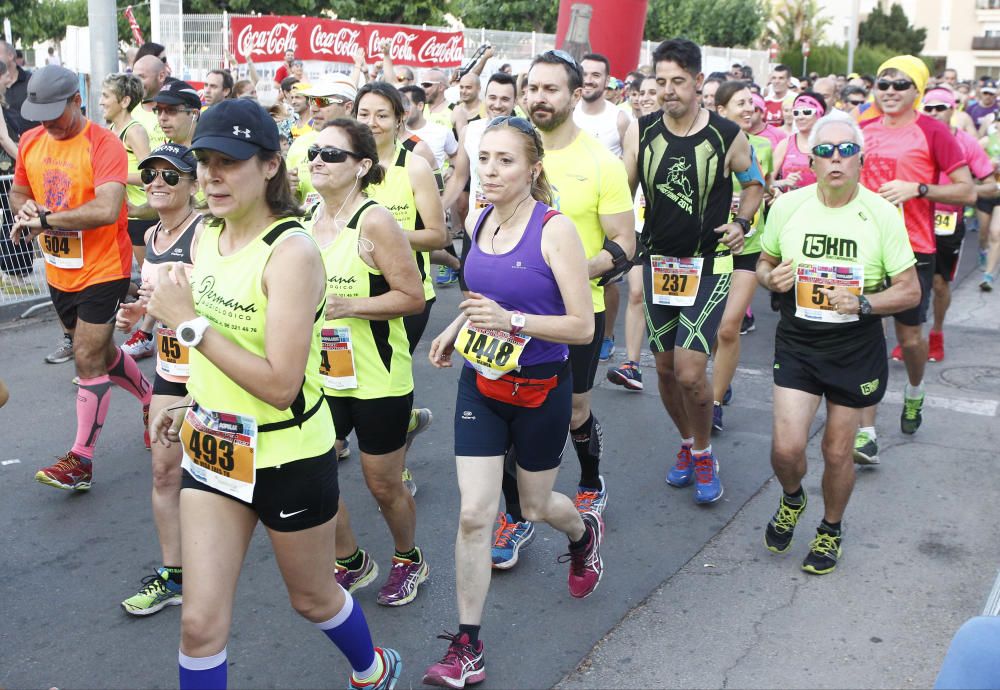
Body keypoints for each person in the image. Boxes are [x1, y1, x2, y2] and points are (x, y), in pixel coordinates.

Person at [145, 98, 401, 690]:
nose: (211, 177)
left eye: (227, 162)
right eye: (203, 162)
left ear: (268, 166)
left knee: (311, 599)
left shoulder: (292, 251)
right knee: (199, 626)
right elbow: (218, 339)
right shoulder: (207, 234)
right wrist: (191, 399)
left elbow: (282, 385)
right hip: (214, 449)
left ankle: (371, 669)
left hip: (288, 454)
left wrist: (189, 325)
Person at [423, 116, 604, 688]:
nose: (492, 170)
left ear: (533, 169)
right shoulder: (480, 221)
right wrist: (460, 326)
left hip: (540, 389)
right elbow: (483, 296)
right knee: (476, 514)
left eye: (506, 160)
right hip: (480, 383)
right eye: (486, 159)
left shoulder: (555, 231)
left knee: (532, 507)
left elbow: (581, 324)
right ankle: (467, 646)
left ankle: (582, 534)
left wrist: (514, 321)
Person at [756, 111, 920, 574]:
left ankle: (830, 528)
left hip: (854, 348)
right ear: (810, 161)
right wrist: (773, 279)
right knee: (786, 450)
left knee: (836, 451)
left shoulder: (883, 214)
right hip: (799, 342)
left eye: (846, 151)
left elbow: (910, 289)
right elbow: (765, 264)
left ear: (861, 160)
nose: (835, 159)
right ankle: (793, 499)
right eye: (825, 151)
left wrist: (865, 303)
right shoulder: (787, 207)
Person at [621, 38, 762, 504]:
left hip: (709, 266)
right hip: (657, 262)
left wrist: (742, 223)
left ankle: (704, 452)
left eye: (678, 82)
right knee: (662, 371)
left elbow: (755, 185)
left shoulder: (727, 134)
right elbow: (621, 197)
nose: (667, 91)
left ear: (699, 82)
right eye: (660, 81)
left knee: (688, 371)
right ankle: (687, 442)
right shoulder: (641, 132)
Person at [304, 117, 429, 607]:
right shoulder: (308, 220)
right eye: (316, 151)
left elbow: (413, 296)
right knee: (311, 472)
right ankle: (352, 561)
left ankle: (408, 558)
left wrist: (350, 305)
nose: (318, 160)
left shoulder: (374, 220)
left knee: (383, 484)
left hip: (377, 377)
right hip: (322, 373)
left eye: (332, 154)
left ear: (361, 166)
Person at [10, 65, 152, 490]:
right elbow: (19, 190)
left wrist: (46, 219)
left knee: (86, 356)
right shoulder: (31, 140)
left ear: (78, 100)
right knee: (98, 351)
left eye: (55, 112)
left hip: (105, 266)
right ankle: (150, 394)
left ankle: (80, 461)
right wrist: (26, 209)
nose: (47, 122)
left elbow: (107, 209)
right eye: (39, 113)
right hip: (60, 269)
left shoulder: (102, 143)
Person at [509, 49, 633, 532]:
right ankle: (515, 515)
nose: (539, 98)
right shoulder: (509, 152)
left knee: (575, 409)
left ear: (575, 94)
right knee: (506, 407)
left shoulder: (601, 163)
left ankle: (590, 480)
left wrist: (581, 270)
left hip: (579, 312)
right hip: (509, 309)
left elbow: (625, 241)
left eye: (551, 89)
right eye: (533, 88)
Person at [855, 55, 974, 462]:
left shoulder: (933, 131)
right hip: (865, 247)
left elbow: (967, 191)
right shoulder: (862, 130)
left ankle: (914, 390)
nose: (889, 91)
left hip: (913, 249)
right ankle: (866, 431)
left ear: (917, 91)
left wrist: (918, 189)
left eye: (900, 84)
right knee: (867, 336)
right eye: (882, 83)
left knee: (909, 340)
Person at [114, 143, 203, 616]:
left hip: (214, 372)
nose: (157, 183)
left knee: (252, 481)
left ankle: (333, 556)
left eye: (170, 176)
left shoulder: (206, 232)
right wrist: (142, 317)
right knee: (165, 470)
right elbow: (156, 300)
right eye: (150, 174)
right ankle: (176, 575)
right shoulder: (152, 235)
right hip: (171, 369)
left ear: (193, 183)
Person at [355, 81, 446, 493]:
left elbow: (437, 235)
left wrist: (386, 235)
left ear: (398, 120)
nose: (371, 123)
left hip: (409, 294)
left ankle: (397, 464)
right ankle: (397, 426)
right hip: (351, 291)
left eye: (381, 115)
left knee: (392, 377)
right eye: (363, 114)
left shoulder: (414, 166)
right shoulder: (347, 163)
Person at [710, 81, 774, 432]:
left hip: (748, 248)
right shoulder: (708, 145)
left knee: (729, 328)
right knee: (708, 334)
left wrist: (773, 191)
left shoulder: (764, 145)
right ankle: (723, 373)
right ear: (721, 110)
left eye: (751, 102)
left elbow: (765, 186)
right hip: (711, 249)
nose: (749, 108)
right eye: (740, 103)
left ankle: (715, 403)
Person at [918, 88, 996, 356]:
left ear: (954, 110)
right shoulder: (914, 138)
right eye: (928, 108)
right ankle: (911, 336)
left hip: (948, 221)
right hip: (914, 219)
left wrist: (962, 192)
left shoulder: (966, 142)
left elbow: (992, 187)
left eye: (940, 107)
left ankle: (936, 333)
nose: (934, 113)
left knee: (939, 284)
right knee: (909, 282)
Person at [606, 74, 661, 391]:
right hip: (639, 225)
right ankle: (633, 364)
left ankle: (701, 365)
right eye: (640, 92)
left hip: (674, 231)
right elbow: (625, 184)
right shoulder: (634, 131)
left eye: (653, 92)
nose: (645, 97)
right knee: (638, 293)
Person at [100, 72, 153, 268]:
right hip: (118, 213)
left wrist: (114, 177)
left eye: (106, 96)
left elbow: (150, 175)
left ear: (124, 101)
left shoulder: (134, 131)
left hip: (139, 213)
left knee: (148, 276)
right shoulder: (110, 129)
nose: (100, 102)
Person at [287, 74, 357, 206]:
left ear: (348, 107)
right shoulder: (299, 144)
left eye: (322, 101)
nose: (313, 109)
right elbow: (293, 203)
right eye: (312, 101)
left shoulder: (368, 146)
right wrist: (287, 193)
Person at [0, 58, 35, 297]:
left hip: (8, 169)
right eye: (4, 77)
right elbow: (4, 138)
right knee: (14, 216)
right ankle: (12, 275)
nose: (7, 81)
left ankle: (12, 275)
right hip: (6, 170)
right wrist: (27, 162)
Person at [574, 53, 631, 157]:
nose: (588, 80)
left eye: (596, 75)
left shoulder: (620, 119)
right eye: (584, 74)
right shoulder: (567, 113)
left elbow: (631, 160)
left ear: (607, 81)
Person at [773, 92, 827, 191]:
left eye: (806, 112)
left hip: (822, 202)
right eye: (796, 112)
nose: (800, 117)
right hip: (791, 204)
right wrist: (782, 183)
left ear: (819, 114)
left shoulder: (830, 145)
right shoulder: (785, 144)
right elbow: (766, 182)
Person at [131, 55, 169, 150]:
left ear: (161, 76)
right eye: (134, 78)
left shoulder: (178, 112)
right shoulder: (127, 111)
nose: (136, 83)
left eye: (141, 77)